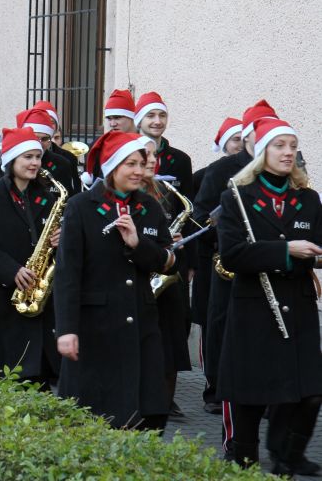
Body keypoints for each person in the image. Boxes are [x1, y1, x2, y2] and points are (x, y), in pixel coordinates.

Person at [216, 118, 322, 472]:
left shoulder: (308, 199)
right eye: (280, 146)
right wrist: (286, 250)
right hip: (256, 307)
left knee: (309, 392)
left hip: (299, 305)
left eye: (293, 146)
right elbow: (231, 254)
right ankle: (242, 459)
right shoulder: (236, 196)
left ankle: (286, 456)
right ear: (262, 152)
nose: (288, 152)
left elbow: (318, 248)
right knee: (250, 394)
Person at [53, 131, 175, 431]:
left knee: (148, 411)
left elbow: (166, 260)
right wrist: (67, 330)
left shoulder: (149, 206)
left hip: (141, 322)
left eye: (141, 163)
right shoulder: (81, 206)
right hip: (95, 326)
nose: (138, 171)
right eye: (129, 164)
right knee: (96, 413)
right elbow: (68, 272)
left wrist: (137, 245)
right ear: (112, 166)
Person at [195, 99, 277, 440]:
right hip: (229, 264)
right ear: (247, 138)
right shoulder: (222, 170)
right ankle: (217, 389)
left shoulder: (281, 171)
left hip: (269, 268)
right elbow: (200, 216)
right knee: (221, 327)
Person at [0, 126, 61, 385]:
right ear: (11, 159)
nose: (35, 163)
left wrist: (60, 242)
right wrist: (11, 270)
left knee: (37, 380)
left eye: (37, 157)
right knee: (1, 380)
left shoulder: (46, 197)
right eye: (27, 157)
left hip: (36, 302)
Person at [190, 115, 242, 416]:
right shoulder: (215, 172)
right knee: (214, 324)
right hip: (215, 260)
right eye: (234, 140)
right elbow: (199, 216)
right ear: (225, 145)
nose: (239, 145)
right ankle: (213, 388)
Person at [140, 138, 192, 418]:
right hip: (140, 281)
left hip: (166, 278)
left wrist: (175, 243)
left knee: (170, 346)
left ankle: (164, 404)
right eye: (144, 156)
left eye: (152, 156)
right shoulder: (126, 195)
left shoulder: (166, 192)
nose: (151, 160)